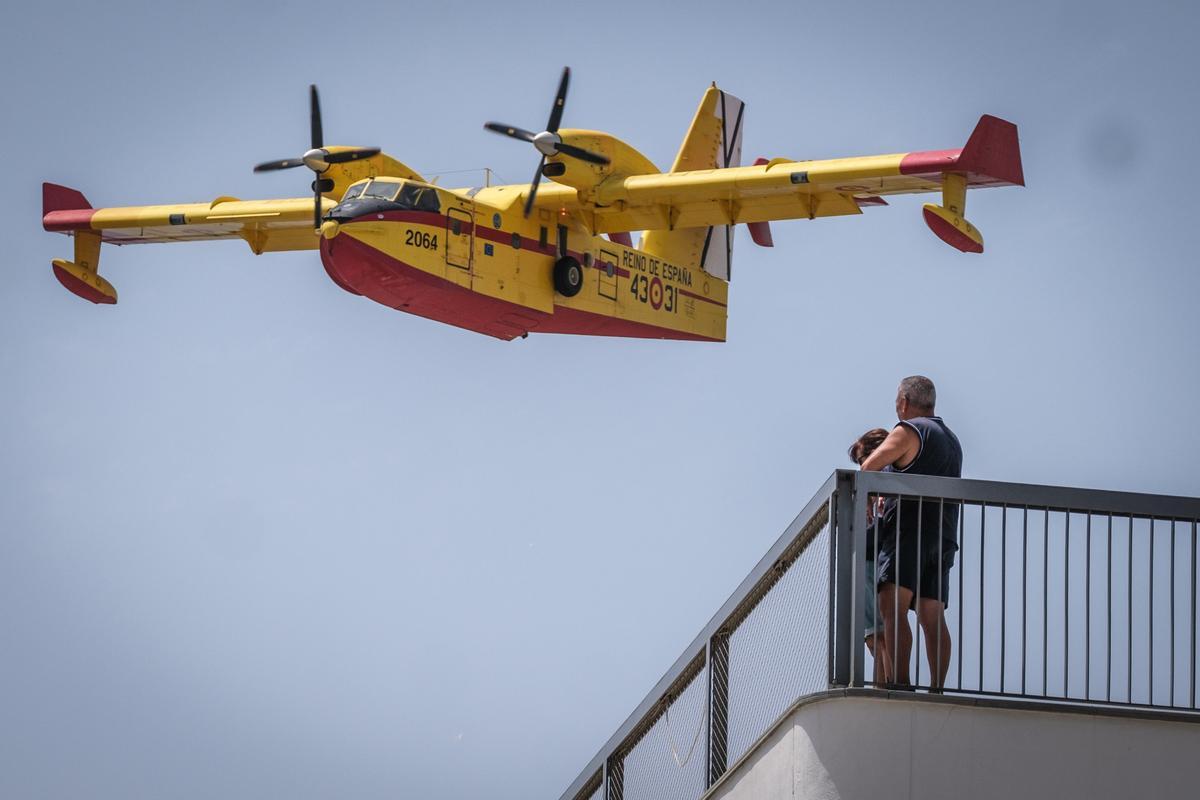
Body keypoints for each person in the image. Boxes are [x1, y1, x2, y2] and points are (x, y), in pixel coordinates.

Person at [859, 376, 962, 690]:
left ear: (903, 402)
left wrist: (867, 495)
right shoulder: (951, 439)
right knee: (932, 616)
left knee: (892, 607)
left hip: (907, 532)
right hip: (943, 533)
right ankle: (937, 688)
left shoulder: (908, 430)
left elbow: (869, 468)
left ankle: (899, 684)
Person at [849, 427, 892, 685]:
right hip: (871, 558)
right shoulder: (883, 483)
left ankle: (885, 688)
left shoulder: (883, 480)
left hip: (875, 559)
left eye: (862, 460)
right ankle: (882, 688)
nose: (862, 467)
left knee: (880, 634)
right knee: (877, 636)